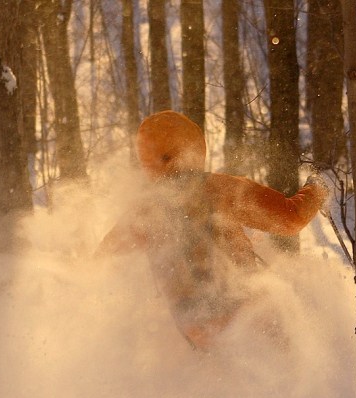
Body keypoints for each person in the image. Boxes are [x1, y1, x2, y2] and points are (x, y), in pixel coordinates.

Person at [97, 110, 329, 350]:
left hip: (191, 334)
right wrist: (319, 187)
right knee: (303, 332)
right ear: (193, 147)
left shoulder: (141, 212)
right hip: (245, 320)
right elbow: (291, 219)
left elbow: (100, 266)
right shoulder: (220, 190)